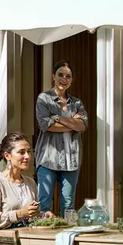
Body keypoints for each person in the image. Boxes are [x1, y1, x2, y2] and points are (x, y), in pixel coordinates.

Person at [34, 60, 87, 219]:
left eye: (68, 76)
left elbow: (83, 126)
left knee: (68, 204)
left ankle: (68, 237)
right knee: (44, 203)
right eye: (61, 75)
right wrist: (72, 122)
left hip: (72, 159)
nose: (64, 79)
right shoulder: (44, 98)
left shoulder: (76, 102)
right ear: (53, 77)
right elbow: (45, 125)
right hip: (48, 157)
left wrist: (57, 118)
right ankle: (43, 238)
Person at [0, 133, 40, 228]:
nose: (27, 156)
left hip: (27, 237)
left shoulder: (30, 183)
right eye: (21, 152)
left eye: (28, 151)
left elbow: (32, 216)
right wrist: (19, 213)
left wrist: (43, 216)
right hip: (3, 241)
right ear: (7, 156)